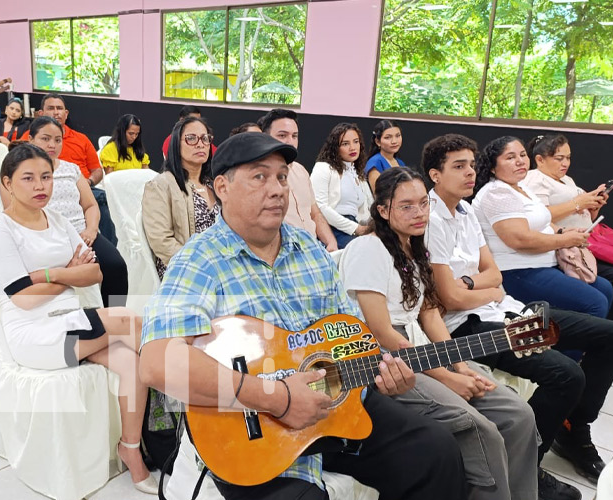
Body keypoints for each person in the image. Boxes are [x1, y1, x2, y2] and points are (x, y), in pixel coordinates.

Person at [139, 132, 467, 500]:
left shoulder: (308, 248)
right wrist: (276, 397)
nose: (277, 188)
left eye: (282, 176)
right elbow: (157, 362)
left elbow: (349, 338)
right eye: (260, 176)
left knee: (435, 451)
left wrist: (388, 373)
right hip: (252, 428)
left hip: (336, 404)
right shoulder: (199, 260)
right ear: (222, 187)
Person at [423, 133, 613, 497]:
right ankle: (528, 468)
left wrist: (482, 286)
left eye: (469, 164)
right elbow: (449, 296)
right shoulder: (430, 217)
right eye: (458, 166)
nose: (468, 173)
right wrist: (482, 286)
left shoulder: (464, 211)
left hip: (504, 306)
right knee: (566, 374)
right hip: (471, 326)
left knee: (606, 333)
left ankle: (575, 430)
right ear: (435, 174)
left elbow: (495, 277)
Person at [339, 166, 539, 500]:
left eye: (422, 203)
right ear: (383, 210)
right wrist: (446, 378)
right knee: (480, 428)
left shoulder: (414, 248)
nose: (419, 213)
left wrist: (459, 365)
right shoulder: (368, 248)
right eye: (406, 206)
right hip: (383, 358)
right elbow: (381, 331)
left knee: (518, 414)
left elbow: (429, 313)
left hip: (419, 346)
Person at [0, 143, 157, 494]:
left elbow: (94, 273)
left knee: (133, 364)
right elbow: (23, 299)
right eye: (27, 178)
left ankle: (132, 449)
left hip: (71, 321)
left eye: (46, 176)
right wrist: (64, 272)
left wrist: (43, 275)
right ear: (7, 183)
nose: (39, 185)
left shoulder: (58, 220)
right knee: (132, 322)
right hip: (34, 337)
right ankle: (192, 406)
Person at [472, 136, 613, 318]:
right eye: (510, 157)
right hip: (519, 271)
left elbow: (544, 220)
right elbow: (520, 239)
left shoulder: (521, 187)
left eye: (522, 155)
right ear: (493, 166)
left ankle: (592, 343)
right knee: (595, 302)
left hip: (549, 262)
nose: (520, 161)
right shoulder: (498, 192)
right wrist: (564, 239)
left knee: (605, 288)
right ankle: (570, 346)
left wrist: (563, 231)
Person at [2, 117, 129, 308]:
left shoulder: (71, 169)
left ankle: (115, 316)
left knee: (116, 266)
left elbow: (90, 206)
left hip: (82, 234)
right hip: (48, 236)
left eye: (57, 140)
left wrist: (91, 230)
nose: (52, 145)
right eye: (45, 138)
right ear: (31, 139)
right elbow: (13, 213)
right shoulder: (18, 174)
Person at [522, 134, 613, 296]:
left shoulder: (567, 179)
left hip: (589, 238)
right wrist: (578, 203)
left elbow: (582, 217)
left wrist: (592, 207)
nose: (565, 163)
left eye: (568, 158)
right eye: (559, 158)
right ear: (540, 160)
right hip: (568, 247)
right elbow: (539, 218)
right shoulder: (535, 179)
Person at [20, 94, 116, 245]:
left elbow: (97, 170)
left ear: (66, 113)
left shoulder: (81, 139)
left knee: (103, 199)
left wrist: (88, 182)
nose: (56, 112)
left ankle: (106, 244)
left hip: (83, 185)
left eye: (60, 108)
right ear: (41, 113)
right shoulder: (29, 137)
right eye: (51, 108)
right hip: (50, 194)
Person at [142, 116, 218, 279]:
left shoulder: (213, 185)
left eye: (205, 139)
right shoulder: (161, 186)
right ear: (176, 145)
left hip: (220, 266)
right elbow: (162, 242)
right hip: (184, 269)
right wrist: (201, 267)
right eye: (191, 138)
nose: (200, 144)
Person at [258, 109, 337, 251]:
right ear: (265, 137)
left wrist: (331, 242)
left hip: (314, 247)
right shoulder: (258, 176)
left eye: (295, 136)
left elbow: (315, 213)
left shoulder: (301, 171)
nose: (290, 142)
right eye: (282, 135)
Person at [310, 123, 372, 249]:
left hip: (356, 225)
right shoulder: (323, 168)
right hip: (331, 227)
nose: (352, 147)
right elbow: (320, 207)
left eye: (356, 142)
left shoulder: (357, 172)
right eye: (345, 144)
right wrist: (355, 228)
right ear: (335, 147)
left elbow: (367, 209)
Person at [365, 120, 405, 193]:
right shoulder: (374, 163)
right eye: (388, 137)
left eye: (398, 136)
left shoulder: (400, 163)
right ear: (377, 141)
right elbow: (378, 195)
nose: (394, 141)